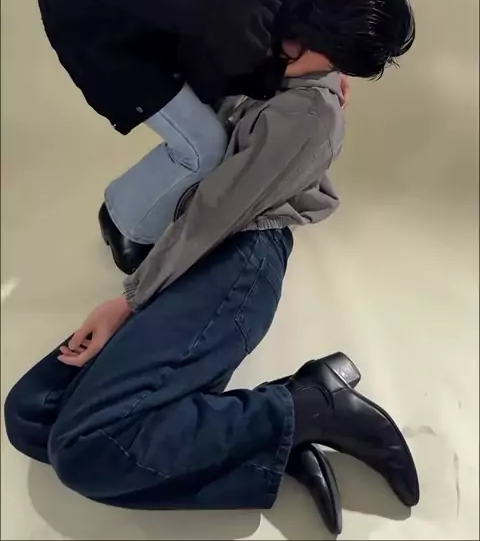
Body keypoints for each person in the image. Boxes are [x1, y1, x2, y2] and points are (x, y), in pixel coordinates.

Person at [4, 68, 419, 534]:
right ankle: (259, 445)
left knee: (86, 454)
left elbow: (213, 215)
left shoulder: (307, 113)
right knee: (30, 414)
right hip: (197, 253)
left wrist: (129, 301)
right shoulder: (258, 52)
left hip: (240, 260)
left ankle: (309, 405)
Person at [37, 0, 415, 274]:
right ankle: (123, 220)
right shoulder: (240, 24)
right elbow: (224, 64)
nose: (328, 72)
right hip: (84, 8)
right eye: (332, 62)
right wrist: (287, 69)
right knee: (203, 146)